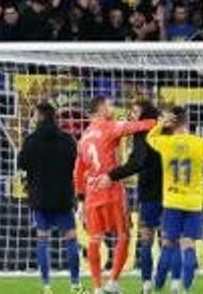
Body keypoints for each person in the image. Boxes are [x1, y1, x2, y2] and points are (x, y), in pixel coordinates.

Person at [74, 96, 157, 294]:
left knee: (94, 238)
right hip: (111, 190)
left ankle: (97, 287)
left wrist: (80, 200)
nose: (114, 108)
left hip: (92, 193)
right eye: (110, 105)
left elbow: (78, 171)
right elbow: (139, 126)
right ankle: (113, 281)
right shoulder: (109, 127)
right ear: (101, 109)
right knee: (124, 234)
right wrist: (158, 121)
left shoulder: (84, 137)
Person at [145, 106, 203, 294]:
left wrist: (160, 124)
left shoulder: (165, 143)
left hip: (172, 202)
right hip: (193, 203)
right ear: (187, 122)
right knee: (188, 245)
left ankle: (158, 284)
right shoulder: (200, 142)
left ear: (172, 123)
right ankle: (185, 289)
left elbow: (149, 138)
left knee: (168, 244)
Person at [18, 101, 84, 294]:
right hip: (63, 197)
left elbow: (21, 164)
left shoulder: (31, 140)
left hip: (40, 198)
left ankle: (46, 286)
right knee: (71, 239)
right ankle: (75, 284)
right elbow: (76, 164)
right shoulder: (67, 139)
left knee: (42, 240)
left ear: (39, 116)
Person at [107, 99, 164, 293]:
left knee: (147, 239)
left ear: (144, 112)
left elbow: (137, 162)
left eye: (135, 111)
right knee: (169, 241)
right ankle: (166, 282)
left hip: (150, 193)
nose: (132, 114)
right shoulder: (164, 127)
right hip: (170, 192)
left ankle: (147, 283)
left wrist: (111, 175)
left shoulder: (143, 133)